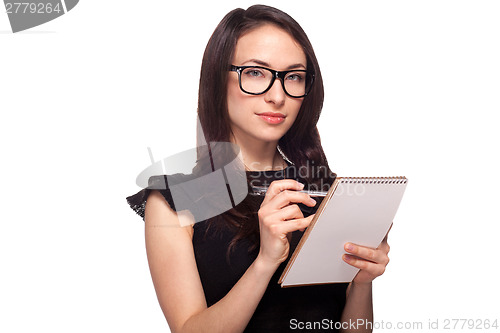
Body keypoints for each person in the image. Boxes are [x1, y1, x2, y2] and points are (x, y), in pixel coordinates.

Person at [127, 5, 390, 332]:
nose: (277, 96)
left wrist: (362, 283)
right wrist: (265, 262)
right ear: (216, 79)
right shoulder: (173, 200)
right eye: (255, 73)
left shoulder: (326, 190)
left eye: (293, 77)